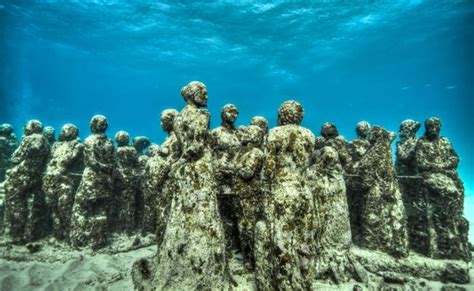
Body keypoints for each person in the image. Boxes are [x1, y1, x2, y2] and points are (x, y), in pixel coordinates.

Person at [134, 81, 227, 290]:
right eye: (203, 93)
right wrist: (184, 161)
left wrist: (178, 164)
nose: (207, 97)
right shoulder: (203, 115)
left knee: (184, 214)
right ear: (192, 94)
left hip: (184, 171)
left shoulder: (178, 116)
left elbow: (182, 144)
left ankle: (179, 260)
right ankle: (202, 266)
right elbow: (195, 146)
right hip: (199, 168)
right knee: (203, 215)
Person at [260, 100, 316, 290]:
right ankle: (305, 280)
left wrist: (265, 194)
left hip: (283, 190)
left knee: (282, 240)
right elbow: (307, 164)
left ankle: (285, 284)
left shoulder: (274, 134)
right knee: (305, 238)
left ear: (282, 114)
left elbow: (268, 169)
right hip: (304, 190)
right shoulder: (309, 135)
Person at [414, 117, 470, 261]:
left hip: (447, 175)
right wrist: (436, 166)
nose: (433, 128)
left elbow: (455, 158)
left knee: (458, 189)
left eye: (436, 126)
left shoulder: (446, 141)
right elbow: (421, 162)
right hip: (431, 176)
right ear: (426, 128)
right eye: (430, 126)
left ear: (440, 126)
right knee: (449, 192)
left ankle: (455, 222)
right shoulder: (422, 142)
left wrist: (444, 165)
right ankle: (444, 227)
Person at [70, 115, 115, 249]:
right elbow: (113, 162)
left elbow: (91, 162)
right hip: (105, 179)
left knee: (81, 206)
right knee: (100, 208)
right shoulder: (110, 141)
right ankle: (99, 240)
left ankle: (80, 240)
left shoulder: (89, 140)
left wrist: (100, 167)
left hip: (91, 178)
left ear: (93, 125)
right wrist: (107, 169)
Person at [4, 120, 50, 243]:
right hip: (36, 175)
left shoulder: (28, 139)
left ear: (32, 127)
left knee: (14, 202)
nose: (24, 127)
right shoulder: (45, 140)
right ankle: (32, 233)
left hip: (22, 174)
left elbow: (15, 157)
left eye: (27, 126)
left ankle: (17, 235)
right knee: (34, 203)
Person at [42, 124, 84, 241]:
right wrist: (49, 172)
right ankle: (57, 233)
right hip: (52, 179)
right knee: (53, 206)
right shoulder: (56, 145)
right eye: (63, 129)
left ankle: (68, 234)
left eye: (68, 129)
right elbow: (50, 160)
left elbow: (69, 160)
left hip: (66, 180)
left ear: (74, 132)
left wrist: (57, 169)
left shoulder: (78, 145)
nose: (65, 131)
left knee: (64, 206)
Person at [210, 104, 241, 252]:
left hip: (236, 178)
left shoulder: (239, 134)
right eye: (230, 111)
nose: (233, 115)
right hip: (220, 177)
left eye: (236, 112)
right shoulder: (215, 133)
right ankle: (223, 245)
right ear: (222, 113)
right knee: (221, 214)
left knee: (236, 213)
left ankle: (235, 244)